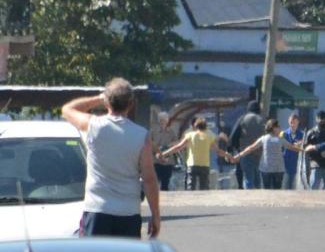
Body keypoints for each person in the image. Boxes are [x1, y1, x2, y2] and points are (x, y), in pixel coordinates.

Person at [61, 77, 160, 238]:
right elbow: (149, 178)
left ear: (107, 103)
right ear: (131, 104)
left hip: (97, 210)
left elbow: (67, 109)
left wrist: (98, 98)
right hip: (128, 213)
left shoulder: (94, 126)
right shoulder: (141, 136)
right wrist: (155, 215)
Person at [161, 118, 232, 190]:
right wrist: (228, 155)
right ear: (205, 127)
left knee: (190, 188)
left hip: (192, 165)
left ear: (195, 126)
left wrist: (164, 153)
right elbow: (218, 151)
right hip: (204, 165)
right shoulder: (208, 136)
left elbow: (178, 147)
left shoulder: (190, 135)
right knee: (204, 189)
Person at [234, 119, 303, 189]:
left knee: (266, 192)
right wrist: (303, 151)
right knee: (277, 192)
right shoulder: (280, 139)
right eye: (278, 126)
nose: (280, 128)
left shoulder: (264, 139)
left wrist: (239, 155)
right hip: (278, 170)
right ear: (274, 128)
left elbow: (251, 148)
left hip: (266, 170)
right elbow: (292, 147)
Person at [230, 101, 265, 189]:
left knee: (248, 178)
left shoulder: (243, 119)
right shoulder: (262, 120)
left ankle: (249, 199)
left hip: (245, 153)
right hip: (260, 154)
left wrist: (231, 149)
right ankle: (258, 199)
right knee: (257, 179)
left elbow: (234, 135)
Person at [305, 111, 325, 189]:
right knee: (314, 187)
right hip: (316, 164)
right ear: (317, 120)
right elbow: (306, 148)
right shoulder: (311, 133)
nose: (323, 121)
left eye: (324, 119)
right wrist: (318, 153)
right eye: (321, 119)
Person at [151, 112, 177, 191]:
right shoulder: (153, 131)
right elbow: (149, 144)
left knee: (165, 182)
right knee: (154, 182)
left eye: (164, 120)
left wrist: (168, 146)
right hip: (156, 160)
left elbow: (176, 142)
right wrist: (156, 151)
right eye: (161, 120)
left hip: (168, 161)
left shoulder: (171, 131)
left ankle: (165, 199)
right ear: (158, 121)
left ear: (167, 121)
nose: (162, 122)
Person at [282, 113, 304, 189]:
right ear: (288, 122)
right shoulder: (283, 134)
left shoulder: (302, 134)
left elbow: (305, 149)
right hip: (285, 165)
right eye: (291, 122)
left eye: (294, 122)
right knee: (284, 187)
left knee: (294, 188)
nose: (292, 124)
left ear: (298, 122)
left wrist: (301, 144)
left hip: (297, 165)